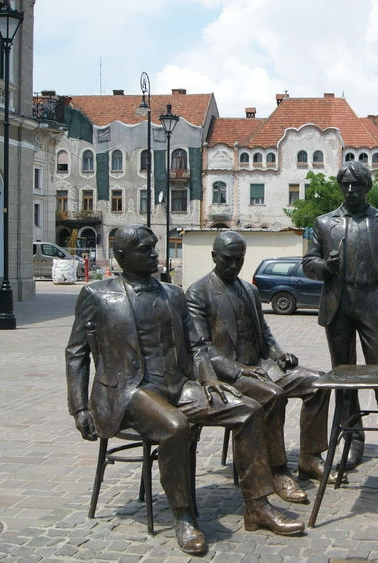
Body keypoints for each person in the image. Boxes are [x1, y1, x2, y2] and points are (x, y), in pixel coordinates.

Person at [66, 225, 303, 556]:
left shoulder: (172, 294)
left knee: (249, 410)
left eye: (154, 247)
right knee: (176, 425)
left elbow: (196, 345)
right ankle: (184, 515)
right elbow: (76, 353)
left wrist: (208, 379)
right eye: (145, 249)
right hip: (130, 393)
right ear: (122, 257)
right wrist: (79, 409)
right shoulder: (97, 295)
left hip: (177, 386)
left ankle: (257, 506)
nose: (154, 253)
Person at [186, 231, 333, 505]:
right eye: (228, 260)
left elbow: (264, 333)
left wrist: (279, 354)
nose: (233, 265)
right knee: (272, 395)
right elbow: (202, 348)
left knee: (318, 382)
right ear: (214, 257)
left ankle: (310, 457)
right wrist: (239, 369)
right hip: (228, 374)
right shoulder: (199, 292)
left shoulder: (249, 290)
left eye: (239, 260)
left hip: (262, 366)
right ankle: (277, 471)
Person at [301, 161, 378, 473]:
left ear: (367, 187)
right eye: (345, 184)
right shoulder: (325, 223)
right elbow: (308, 263)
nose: (351, 190)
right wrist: (324, 267)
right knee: (344, 378)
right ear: (340, 187)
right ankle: (352, 440)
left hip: (372, 301)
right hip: (338, 303)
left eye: (357, 184)